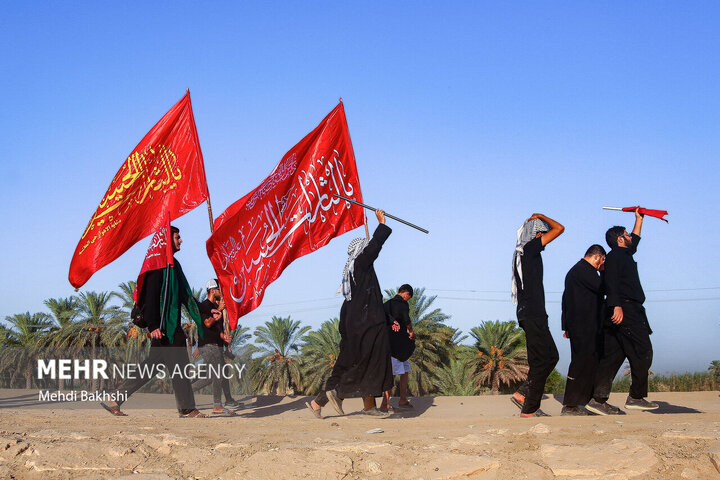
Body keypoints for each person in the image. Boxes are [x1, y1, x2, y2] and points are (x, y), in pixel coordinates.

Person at [101, 225, 207, 418]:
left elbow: (186, 296)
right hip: (164, 327)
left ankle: (117, 398)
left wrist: (207, 312)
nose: (181, 240)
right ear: (167, 240)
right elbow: (150, 297)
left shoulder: (175, 266)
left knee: (150, 367)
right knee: (180, 367)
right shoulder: (157, 265)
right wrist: (153, 326)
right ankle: (187, 408)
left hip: (170, 325)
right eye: (177, 237)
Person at [306, 209, 394, 418]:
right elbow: (373, 249)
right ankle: (342, 394)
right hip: (367, 326)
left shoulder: (356, 272)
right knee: (368, 362)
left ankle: (318, 404)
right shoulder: (361, 265)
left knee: (346, 364)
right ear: (361, 251)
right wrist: (381, 224)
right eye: (365, 249)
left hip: (356, 326)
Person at [592, 208, 658, 412]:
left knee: (613, 356)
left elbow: (635, 240)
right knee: (643, 351)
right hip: (625, 310)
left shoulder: (623, 253)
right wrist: (616, 305)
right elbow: (610, 282)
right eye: (627, 234)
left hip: (623, 310)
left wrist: (638, 219)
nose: (631, 236)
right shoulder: (615, 257)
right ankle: (636, 397)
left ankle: (597, 400)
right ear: (620, 239)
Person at [511, 213, 564, 417]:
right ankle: (529, 409)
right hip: (533, 313)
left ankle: (523, 394)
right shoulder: (530, 248)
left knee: (549, 357)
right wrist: (541, 215)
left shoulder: (522, 253)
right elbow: (559, 229)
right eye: (542, 233)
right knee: (544, 359)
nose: (545, 238)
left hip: (530, 314)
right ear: (536, 234)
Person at [560, 244, 606, 416]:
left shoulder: (575, 271)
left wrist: (565, 326)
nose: (601, 264)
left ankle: (582, 402)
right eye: (602, 260)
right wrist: (604, 272)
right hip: (584, 325)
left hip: (580, 325)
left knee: (588, 362)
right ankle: (571, 405)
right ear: (597, 257)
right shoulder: (584, 270)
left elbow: (565, 300)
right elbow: (603, 288)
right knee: (581, 362)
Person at [191, 279, 242, 414]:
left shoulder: (215, 306)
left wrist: (224, 337)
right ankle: (217, 405)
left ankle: (186, 393)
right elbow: (207, 323)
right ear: (213, 291)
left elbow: (216, 331)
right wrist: (219, 310)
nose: (221, 292)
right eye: (219, 289)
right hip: (208, 346)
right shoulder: (205, 306)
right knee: (218, 373)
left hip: (214, 345)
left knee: (211, 376)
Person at [380, 284, 416, 413]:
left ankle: (403, 400)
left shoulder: (386, 305)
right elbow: (406, 320)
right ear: (406, 294)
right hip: (397, 346)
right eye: (409, 297)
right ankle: (385, 404)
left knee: (405, 370)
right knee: (392, 374)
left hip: (390, 344)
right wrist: (411, 331)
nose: (408, 300)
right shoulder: (402, 304)